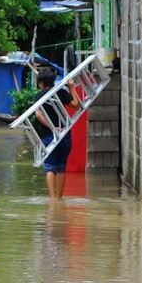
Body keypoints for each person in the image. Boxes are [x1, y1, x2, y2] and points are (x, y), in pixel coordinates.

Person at [34, 66, 81, 200]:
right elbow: (76, 106)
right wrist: (71, 87)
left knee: (50, 167)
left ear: (41, 82)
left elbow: (38, 115)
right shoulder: (60, 92)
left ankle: (53, 200)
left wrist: (53, 128)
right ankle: (59, 198)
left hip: (49, 135)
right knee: (61, 168)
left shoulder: (39, 96)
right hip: (65, 134)